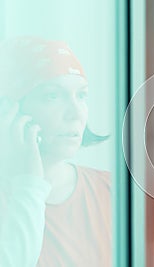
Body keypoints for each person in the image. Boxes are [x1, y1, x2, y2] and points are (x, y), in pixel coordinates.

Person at [0, 37, 111, 266]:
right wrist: (29, 181)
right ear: (10, 110)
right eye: (52, 96)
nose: (75, 113)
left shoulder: (111, 191)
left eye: (81, 95)